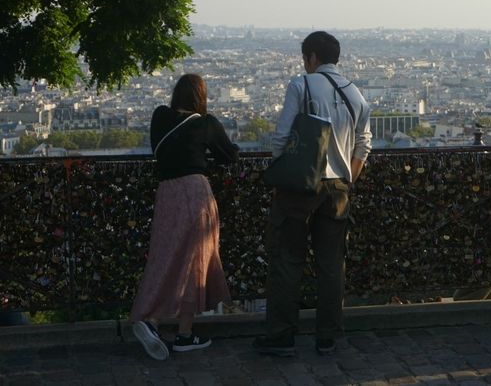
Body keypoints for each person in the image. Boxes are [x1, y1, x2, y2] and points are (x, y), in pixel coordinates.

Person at [253, 31, 372, 357]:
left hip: (301, 187)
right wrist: (348, 179)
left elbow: (280, 138)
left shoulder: (301, 85)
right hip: (338, 189)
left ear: (312, 58)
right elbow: (364, 144)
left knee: (287, 260)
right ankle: (328, 335)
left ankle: (281, 334)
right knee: (332, 264)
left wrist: (282, 170)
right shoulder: (357, 94)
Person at [131, 74, 238, 360]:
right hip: (195, 192)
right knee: (195, 263)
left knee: (164, 258)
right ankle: (184, 334)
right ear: (200, 97)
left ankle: (150, 319)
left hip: (166, 194)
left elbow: (158, 150)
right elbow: (230, 156)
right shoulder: (206, 124)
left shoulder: (159, 117)